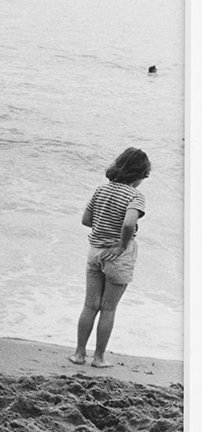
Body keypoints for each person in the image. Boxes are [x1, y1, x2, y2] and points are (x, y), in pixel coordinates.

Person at [68, 147, 151, 368]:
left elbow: (86, 220)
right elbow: (128, 223)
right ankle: (98, 358)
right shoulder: (135, 196)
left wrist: (104, 226)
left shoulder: (101, 190)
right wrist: (121, 244)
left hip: (94, 251)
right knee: (108, 308)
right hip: (117, 256)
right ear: (141, 174)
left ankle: (78, 354)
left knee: (90, 305)